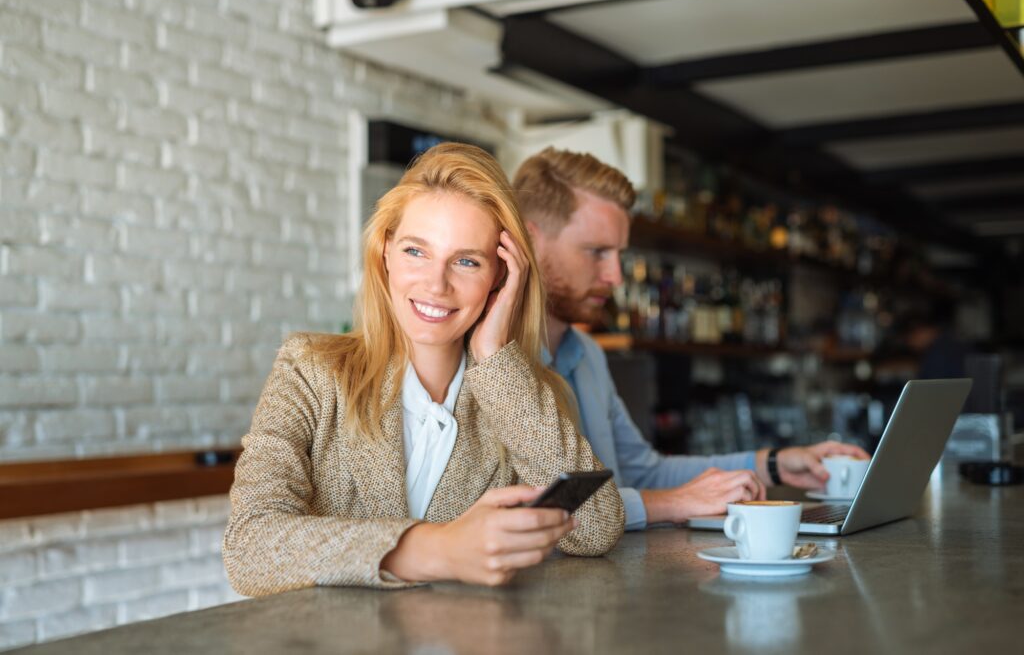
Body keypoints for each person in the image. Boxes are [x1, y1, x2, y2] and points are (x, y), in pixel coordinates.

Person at [224, 143, 624, 596]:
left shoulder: (523, 394)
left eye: (467, 261)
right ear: (385, 253)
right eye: (417, 252)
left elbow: (596, 528)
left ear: (501, 277)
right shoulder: (310, 370)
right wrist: (439, 548)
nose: (437, 284)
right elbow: (249, 547)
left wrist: (495, 355)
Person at [511, 147, 869, 531]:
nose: (615, 276)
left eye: (619, 254)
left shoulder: (589, 356)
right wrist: (673, 503)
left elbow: (644, 474)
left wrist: (773, 464)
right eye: (597, 252)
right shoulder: (495, 365)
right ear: (531, 242)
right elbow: (542, 510)